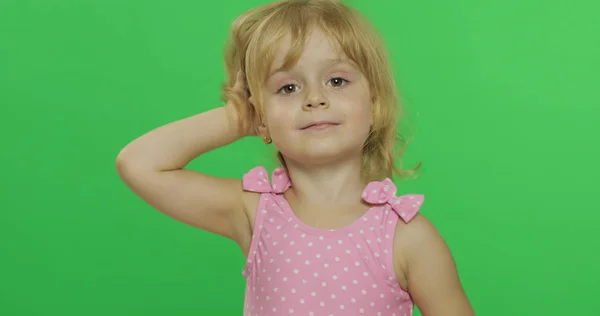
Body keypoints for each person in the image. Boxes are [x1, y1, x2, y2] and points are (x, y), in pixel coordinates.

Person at [116, 0, 475, 315]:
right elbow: (140, 163)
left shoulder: (409, 238)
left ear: (374, 104)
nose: (314, 98)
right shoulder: (255, 213)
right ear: (261, 115)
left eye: (336, 81)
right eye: (288, 87)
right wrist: (241, 115)